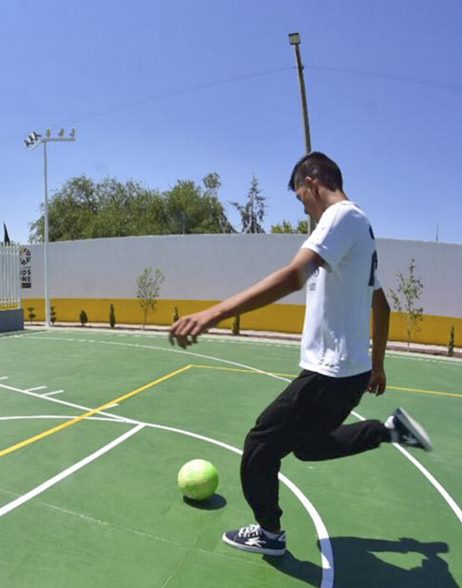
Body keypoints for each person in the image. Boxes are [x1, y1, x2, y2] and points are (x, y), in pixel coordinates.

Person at [169, 152, 432, 557]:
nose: (304, 208)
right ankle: (389, 430)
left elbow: (294, 276)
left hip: (331, 374)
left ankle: (269, 533)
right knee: (309, 446)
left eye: (300, 198)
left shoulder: (341, 218)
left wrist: (214, 313)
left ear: (311, 182)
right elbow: (383, 306)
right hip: (350, 374)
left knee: (259, 445)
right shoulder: (362, 229)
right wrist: (376, 364)